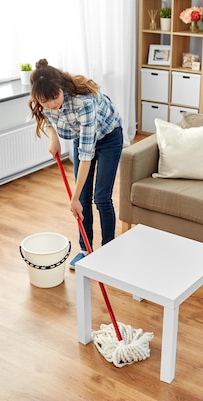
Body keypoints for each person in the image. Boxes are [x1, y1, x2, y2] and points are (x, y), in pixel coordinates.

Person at [29, 59, 124, 269]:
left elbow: (86, 155)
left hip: (108, 137)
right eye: (46, 101)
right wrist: (53, 138)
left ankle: (109, 250)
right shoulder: (44, 101)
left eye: (55, 98)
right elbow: (46, 117)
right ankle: (85, 249)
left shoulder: (84, 102)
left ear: (61, 87)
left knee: (101, 197)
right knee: (82, 198)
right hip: (81, 136)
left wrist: (73, 198)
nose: (53, 104)